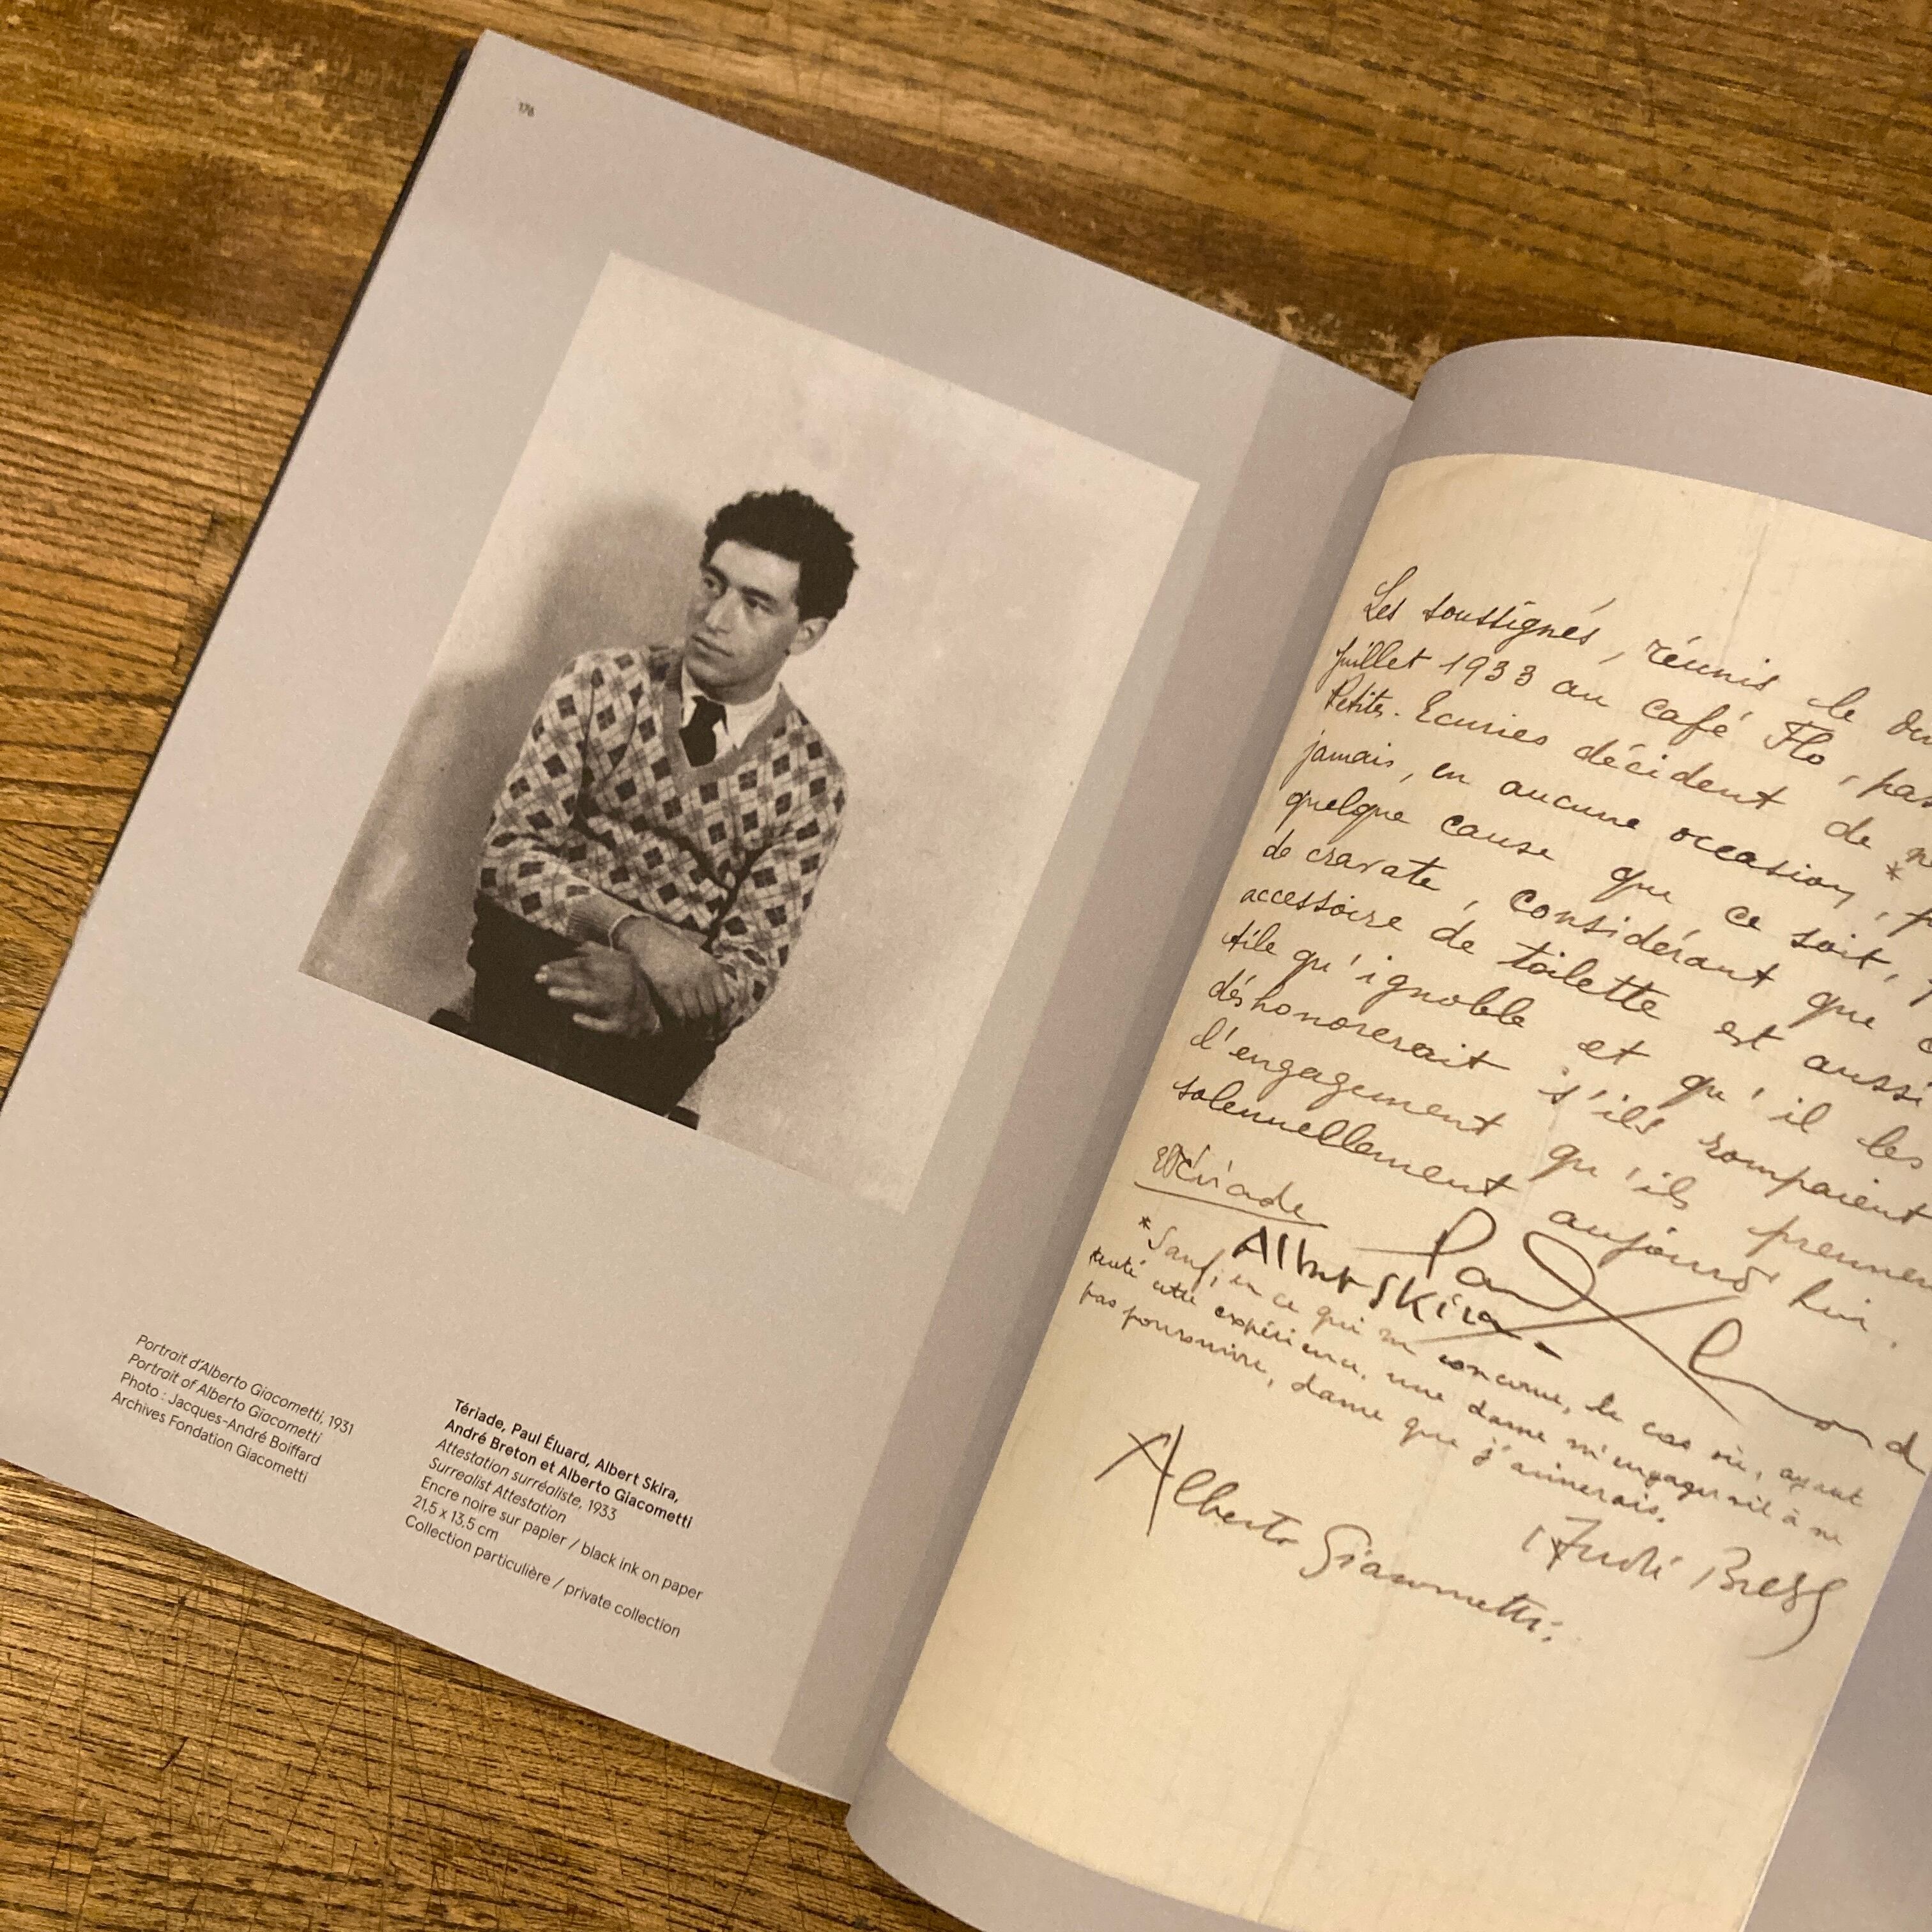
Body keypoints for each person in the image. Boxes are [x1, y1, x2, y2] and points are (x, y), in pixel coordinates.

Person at [463, 487, 855, 1121]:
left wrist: (651, 1010)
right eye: (712, 584)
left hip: (668, 1018)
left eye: (755, 604)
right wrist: (635, 935)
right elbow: (506, 857)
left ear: (805, 633)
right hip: (540, 950)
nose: (715, 618)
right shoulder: (598, 682)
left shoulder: (813, 780)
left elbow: (753, 963)